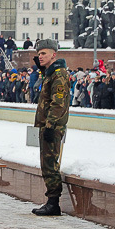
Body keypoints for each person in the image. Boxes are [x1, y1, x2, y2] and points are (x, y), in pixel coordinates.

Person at [31, 39, 70, 216]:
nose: (40, 56)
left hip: (52, 126)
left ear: (54, 55)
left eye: (43, 53)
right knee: (46, 164)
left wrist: (50, 125)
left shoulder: (59, 75)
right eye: (39, 54)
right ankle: (51, 201)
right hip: (47, 125)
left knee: (50, 164)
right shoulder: (51, 73)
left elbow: (58, 103)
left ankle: (53, 203)